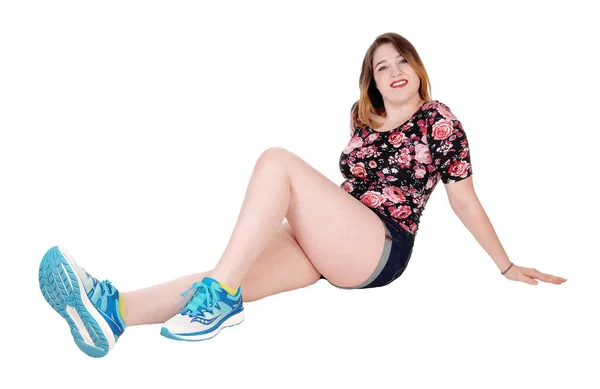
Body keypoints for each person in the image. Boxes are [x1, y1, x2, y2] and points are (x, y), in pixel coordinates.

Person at [37, 32, 567, 358]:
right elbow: (346, 191)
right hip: (334, 240)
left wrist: (506, 265)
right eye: (383, 67)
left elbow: (464, 200)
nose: (395, 71)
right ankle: (112, 313)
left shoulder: (440, 121)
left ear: (418, 71)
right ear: (373, 84)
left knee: (277, 162)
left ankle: (215, 300)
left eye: (403, 61)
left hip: (380, 245)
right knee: (230, 271)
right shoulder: (363, 119)